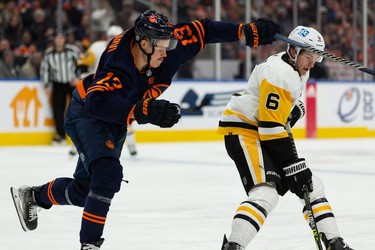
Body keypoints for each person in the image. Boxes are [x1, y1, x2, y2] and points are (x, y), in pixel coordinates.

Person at [10, 10, 280, 249]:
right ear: (142, 43)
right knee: (108, 175)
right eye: (161, 46)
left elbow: (203, 29)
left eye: (168, 44)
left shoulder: (168, 47)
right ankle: (89, 245)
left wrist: (247, 31)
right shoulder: (117, 64)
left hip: (116, 118)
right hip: (88, 113)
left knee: (86, 191)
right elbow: (96, 102)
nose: (167, 51)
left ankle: (33, 196)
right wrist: (142, 111)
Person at [218, 26, 353, 250]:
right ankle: (233, 246)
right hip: (245, 131)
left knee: (311, 187)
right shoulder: (278, 73)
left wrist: (295, 110)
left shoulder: (297, 68)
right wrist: (293, 164)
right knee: (266, 192)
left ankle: (334, 243)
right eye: (308, 56)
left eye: (316, 57)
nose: (311, 63)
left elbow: (285, 110)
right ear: (293, 50)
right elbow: (270, 127)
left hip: (264, 132)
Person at [39, 31, 80, 144]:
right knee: (58, 110)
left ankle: (77, 133)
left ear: (64, 39)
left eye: (61, 37)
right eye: (57, 38)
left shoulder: (72, 50)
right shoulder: (48, 53)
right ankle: (60, 135)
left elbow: (81, 64)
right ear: (54, 40)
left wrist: (78, 78)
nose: (59, 40)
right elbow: (44, 69)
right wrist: (46, 85)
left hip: (72, 83)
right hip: (57, 84)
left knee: (76, 108)